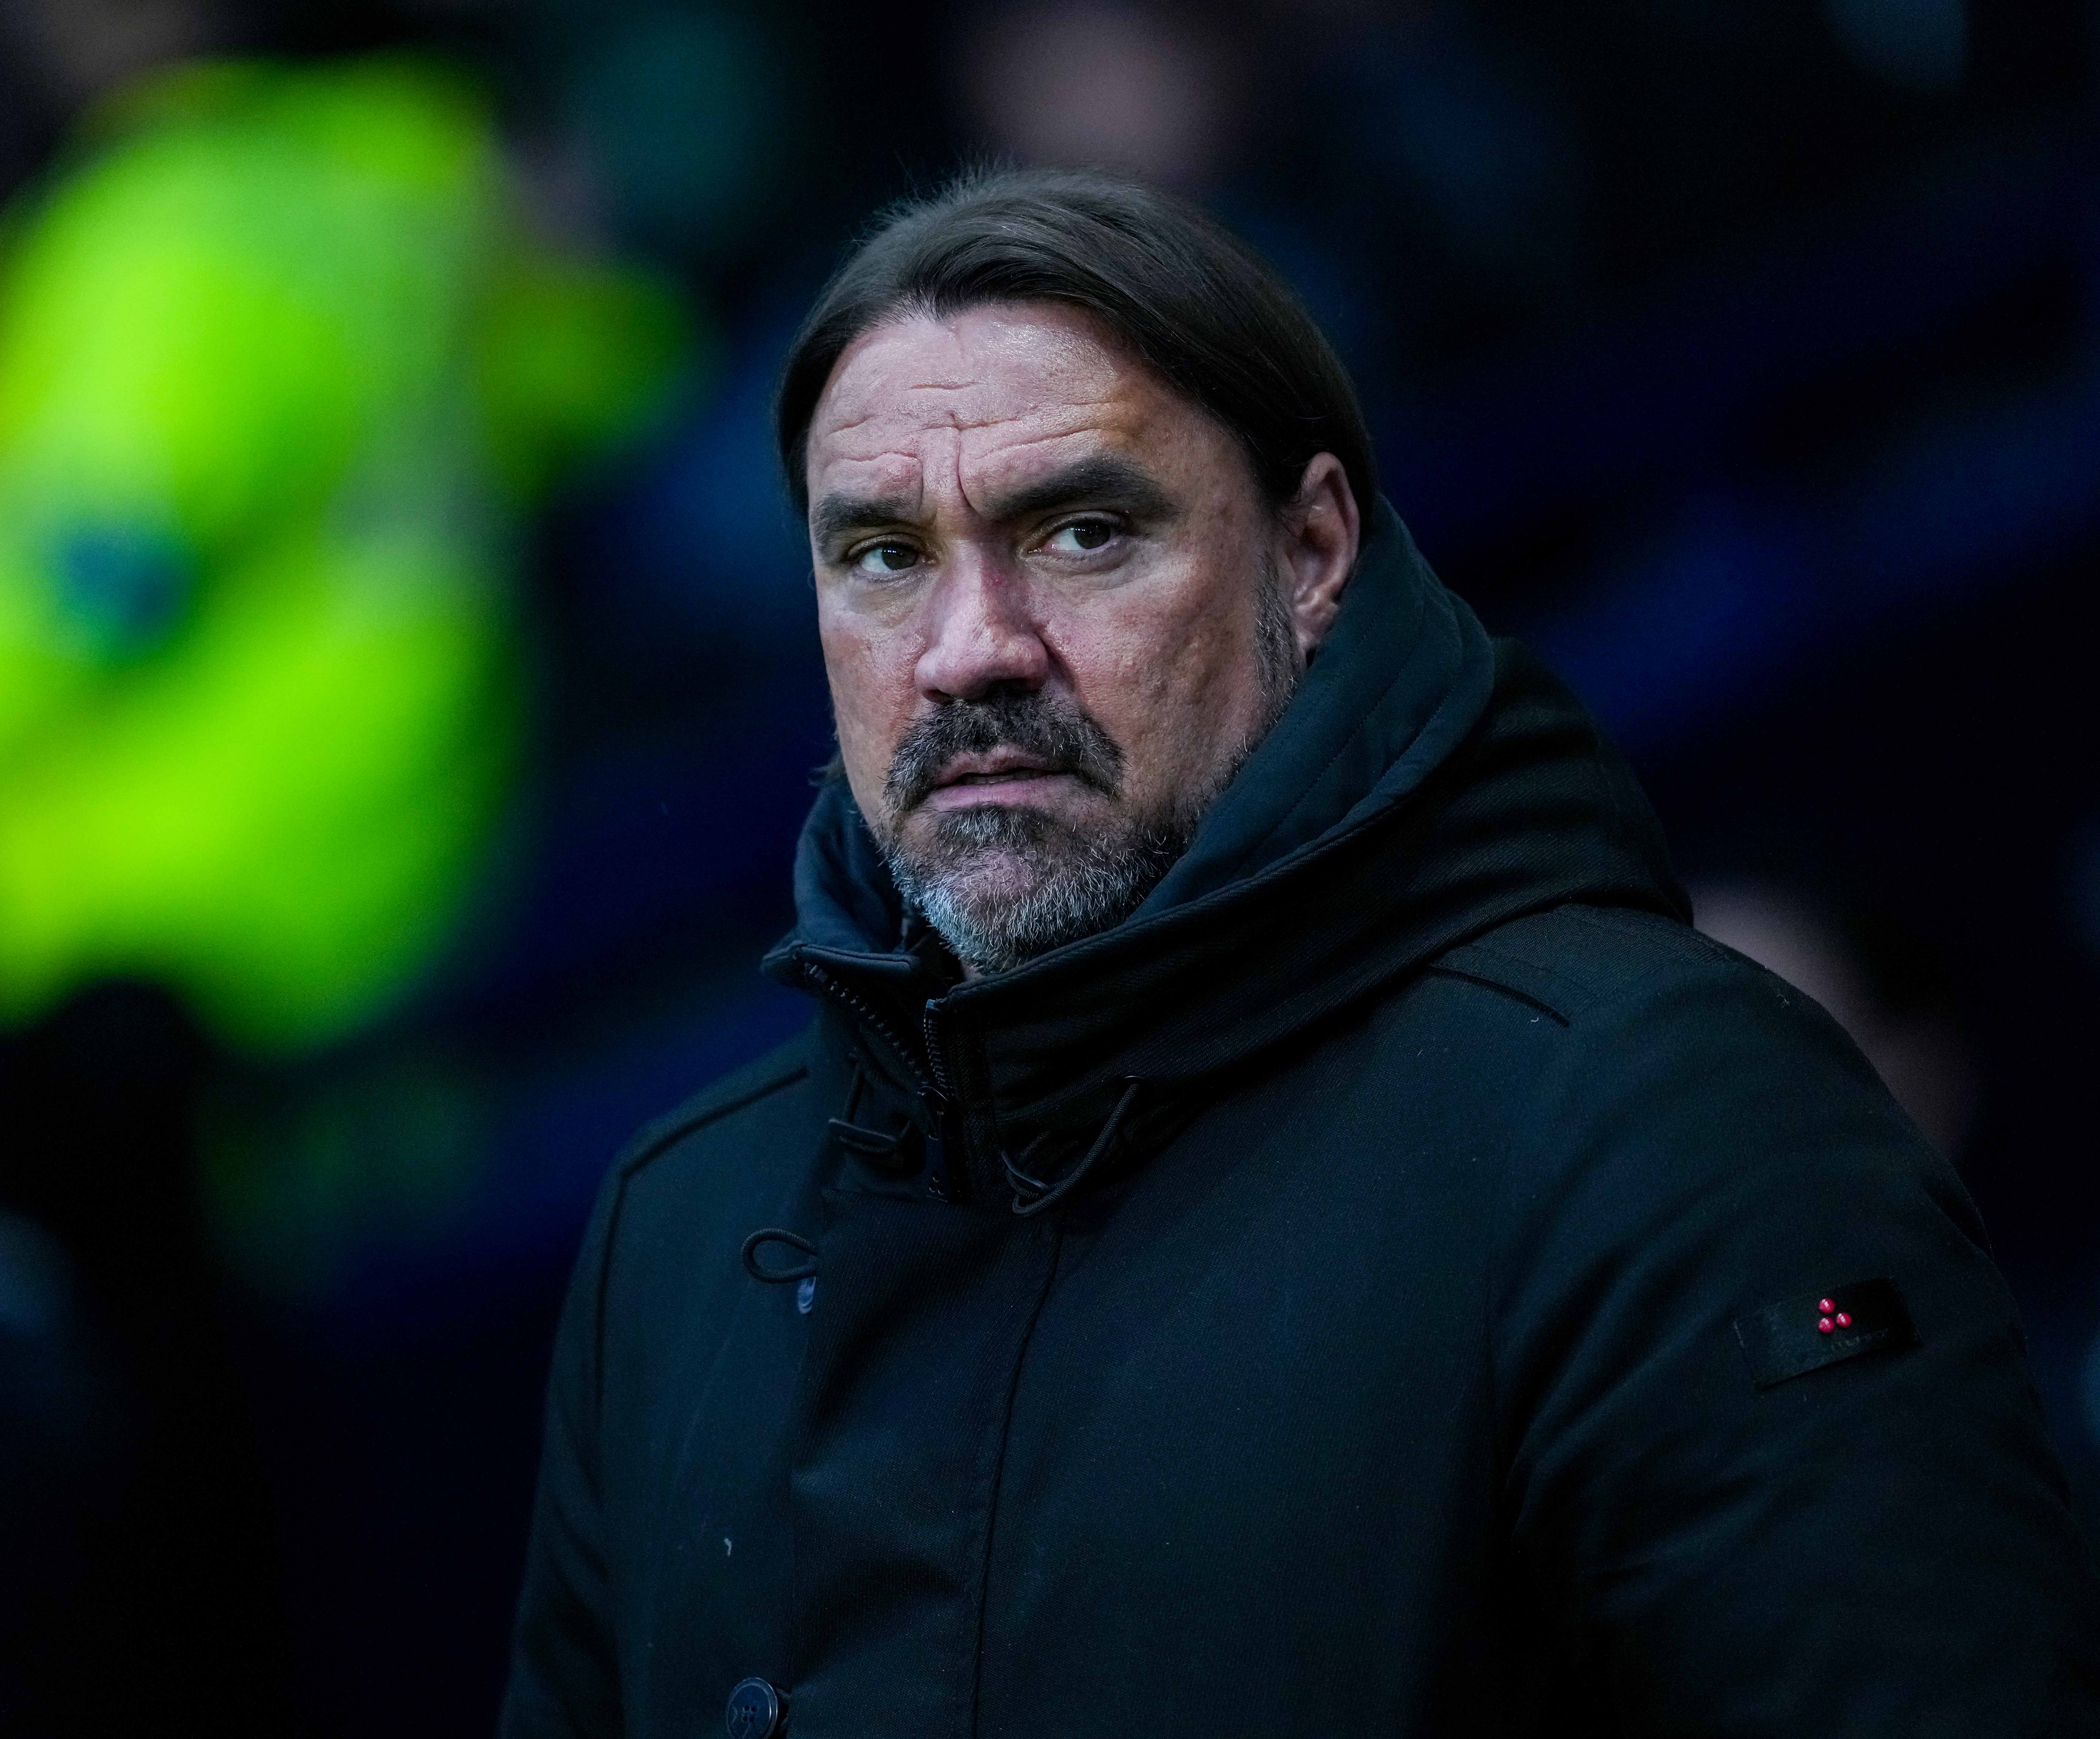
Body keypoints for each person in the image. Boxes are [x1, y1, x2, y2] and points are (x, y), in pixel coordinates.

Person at [497, 168, 2100, 1737]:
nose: (968, 646)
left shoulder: (1653, 1112)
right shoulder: (678, 1228)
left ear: (1314, 552)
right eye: (883, 557)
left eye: (1081, 532)